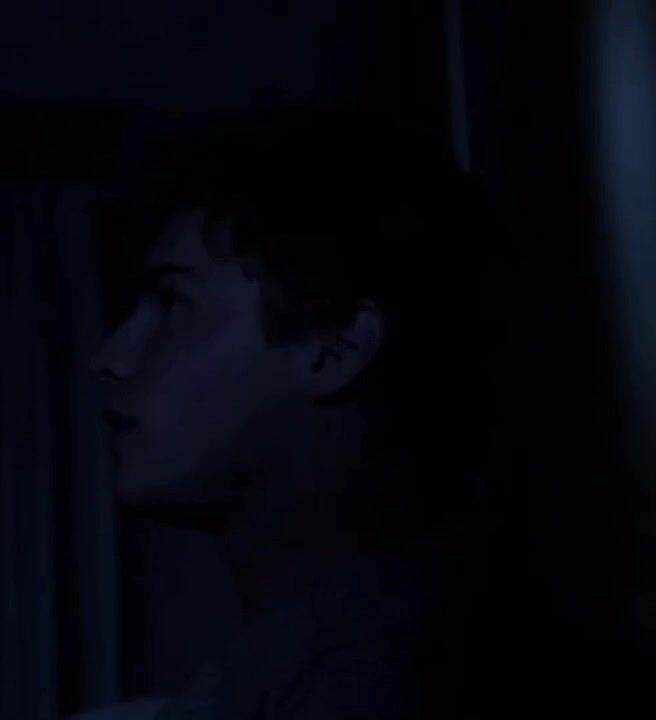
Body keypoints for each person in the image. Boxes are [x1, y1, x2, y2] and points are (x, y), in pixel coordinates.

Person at [74, 112, 499, 719]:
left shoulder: (383, 669)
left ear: (335, 347)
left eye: (172, 302)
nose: (112, 358)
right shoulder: (289, 664)